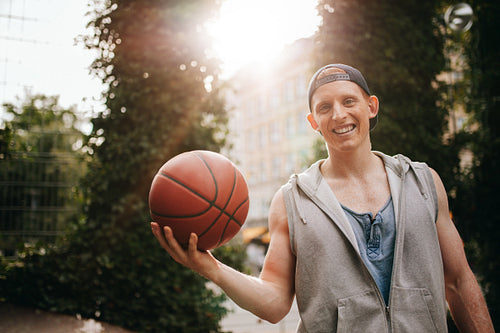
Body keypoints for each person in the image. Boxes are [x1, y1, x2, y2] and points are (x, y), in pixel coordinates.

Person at [151, 64, 494, 332]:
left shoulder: (423, 182)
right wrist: (212, 268)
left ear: (371, 107)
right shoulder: (291, 201)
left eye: (349, 101)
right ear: (313, 121)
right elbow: (274, 303)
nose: (339, 115)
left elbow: (460, 282)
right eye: (325, 107)